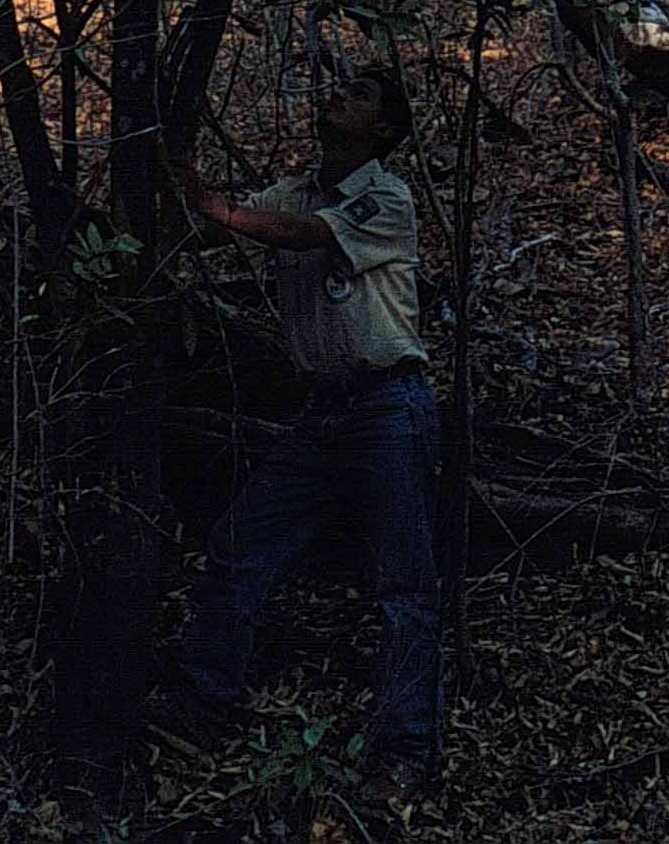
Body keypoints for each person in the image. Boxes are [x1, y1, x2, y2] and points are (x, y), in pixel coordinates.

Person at [156, 65, 440, 811]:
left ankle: (403, 754)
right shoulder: (297, 187)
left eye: (356, 95)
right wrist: (178, 195)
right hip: (323, 415)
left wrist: (208, 200)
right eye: (333, 86)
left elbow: (294, 236)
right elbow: (225, 227)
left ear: (381, 128)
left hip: (388, 407)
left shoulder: (384, 197)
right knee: (239, 545)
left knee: (401, 587)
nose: (333, 97)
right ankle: (200, 707)